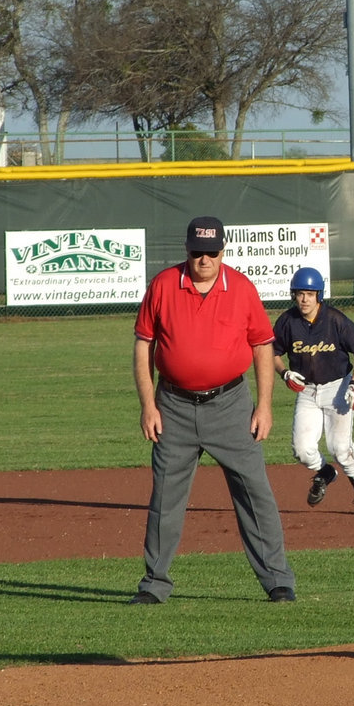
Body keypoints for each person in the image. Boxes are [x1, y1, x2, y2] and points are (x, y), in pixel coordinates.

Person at [130, 216, 296, 604]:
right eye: (196, 252)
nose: (204, 259)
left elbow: (261, 347)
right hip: (173, 404)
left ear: (223, 250)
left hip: (231, 404)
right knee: (165, 498)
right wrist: (148, 404)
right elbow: (144, 346)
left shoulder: (241, 288)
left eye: (212, 252)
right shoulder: (163, 285)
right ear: (186, 250)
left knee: (255, 493)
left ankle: (277, 580)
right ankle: (154, 585)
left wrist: (265, 406)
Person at [272, 267, 354, 515]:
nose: (304, 299)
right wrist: (284, 373)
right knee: (302, 450)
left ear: (319, 295)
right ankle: (325, 472)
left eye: (310, 293)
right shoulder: (287, 321)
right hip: (307, 392)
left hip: (337, 388)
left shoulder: (334, 319)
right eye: (300, 293)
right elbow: (271, 353)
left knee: (340, 448)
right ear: (293, 295)